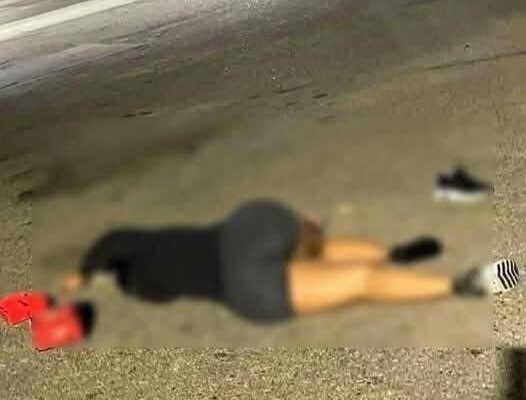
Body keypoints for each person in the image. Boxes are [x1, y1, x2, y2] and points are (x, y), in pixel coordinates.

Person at [61, 199, 492, 323]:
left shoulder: (143, 288)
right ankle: (389, 254)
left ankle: (458, 285)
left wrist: (91, 277)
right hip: (248, 228)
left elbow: (159, 291)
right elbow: (114, 240)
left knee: (359, 284)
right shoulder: (144, 243)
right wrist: (82, 271)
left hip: (245, 288)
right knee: (318, 245)